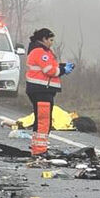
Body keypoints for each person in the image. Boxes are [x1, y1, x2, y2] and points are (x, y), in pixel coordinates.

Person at [25, 28, 72, 157]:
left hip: (42, 90)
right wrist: (63, 70)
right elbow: (49, 70)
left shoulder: (41, 51)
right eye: (50, 40)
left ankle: (37, 147)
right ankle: (40, 150)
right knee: (44, 121)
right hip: (41, 90)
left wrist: (62, 67)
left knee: (41, 119)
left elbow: (51, 66)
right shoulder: (40, 52)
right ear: (44, 39)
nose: (51, 43)